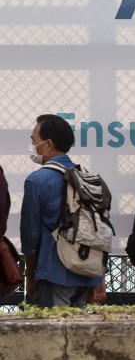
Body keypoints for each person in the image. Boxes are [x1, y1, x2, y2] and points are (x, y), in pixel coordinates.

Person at [20, 114, 104, 307]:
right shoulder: (88, 178)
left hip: (53, 272)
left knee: (52, 333)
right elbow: (100, 233)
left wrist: (30, 275)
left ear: (47, 144)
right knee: (79, 334)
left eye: (34, 140)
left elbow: (30, 236)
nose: (32, 145)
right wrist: (99, 277)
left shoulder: (37, 180)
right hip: (87, 273)